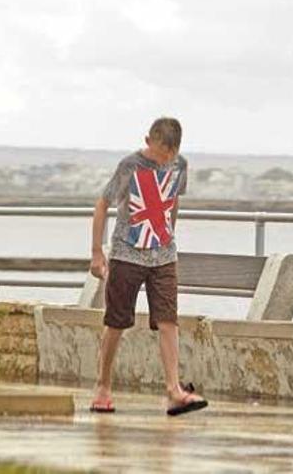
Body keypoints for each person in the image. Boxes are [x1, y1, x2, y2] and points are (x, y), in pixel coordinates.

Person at [88, 117, 207, 416]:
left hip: (164, 256)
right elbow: (102, 204)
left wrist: (170, 233)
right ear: (148, 141)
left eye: (171, 154)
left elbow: (173, 201)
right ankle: (102, 387)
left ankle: (174, 391)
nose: (166, 160)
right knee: (116, 323)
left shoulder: (180, 166)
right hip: (127, 254)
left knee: (168, 321)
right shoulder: (129, 166)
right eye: (161, 152)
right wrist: (96, 254)